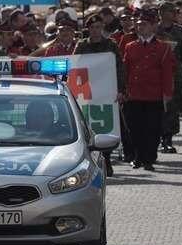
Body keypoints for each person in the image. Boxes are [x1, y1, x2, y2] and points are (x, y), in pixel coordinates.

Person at [73, 14, 126, 176]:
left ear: (102, 28)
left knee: (106, 125)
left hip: (106, 90)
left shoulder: (111, 45)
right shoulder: (82, 45)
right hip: (87, 90)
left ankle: (107, 160)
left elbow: (119, 67)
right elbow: (75, 65)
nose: (95, 30)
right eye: (92, 28)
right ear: (88, 29)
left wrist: (121, 90)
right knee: (88, 125)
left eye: (98, 27)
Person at [122, 11, 175, 171]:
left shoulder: (163, 47)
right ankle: (137, 157)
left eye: (144, 24)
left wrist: (167, 94)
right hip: (134, 94)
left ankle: (149, 158)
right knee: (134, 127)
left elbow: (167, 72)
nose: (140, 27)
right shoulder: (130, 46)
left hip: (154, 94)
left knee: (153, 128)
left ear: (153, 26)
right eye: (138, 25)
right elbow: (126, 70)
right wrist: (123, 90)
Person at [157, 2, 182, 153]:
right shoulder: (154, 29)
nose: (172, 14)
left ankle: (168, 138)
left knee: (172, 107)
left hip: (174, 74)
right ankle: (158, 136)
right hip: (156, 74)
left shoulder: (180, 30)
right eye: (169, 11)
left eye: (173, 11)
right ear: (162, 13)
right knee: (157, 107)